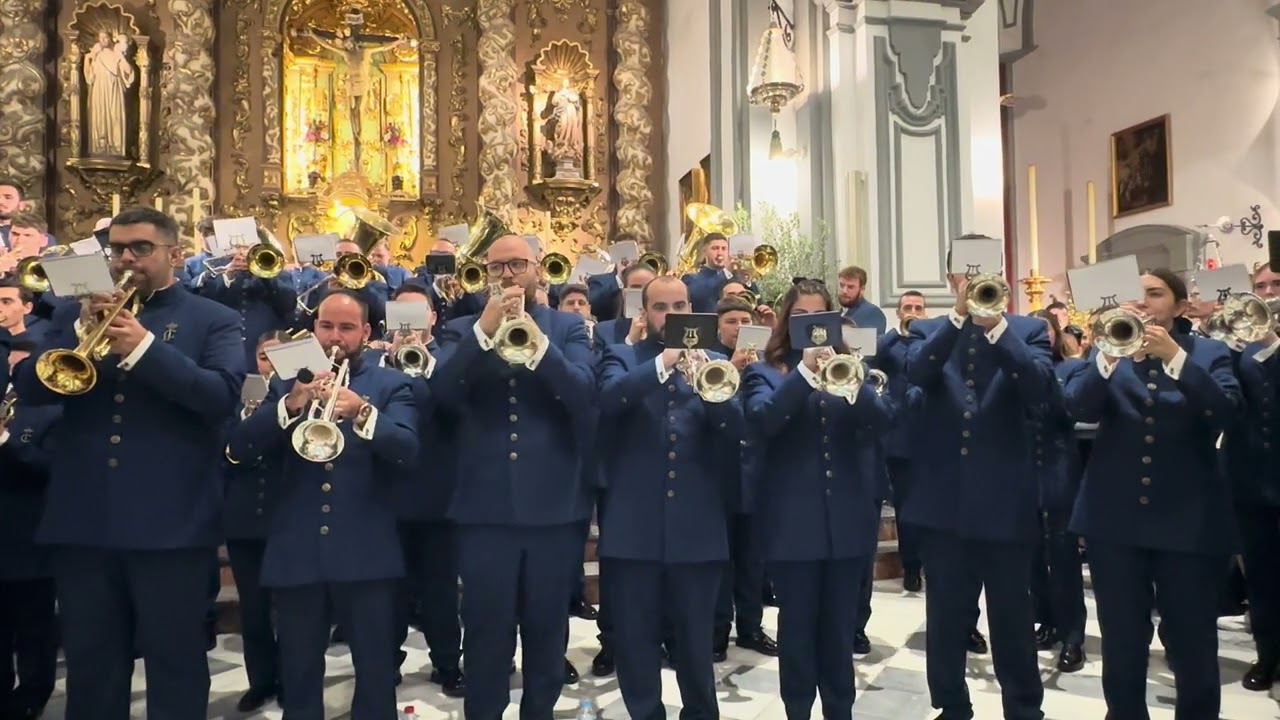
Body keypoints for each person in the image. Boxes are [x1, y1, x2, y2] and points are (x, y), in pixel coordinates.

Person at [13, 206, 245, 719]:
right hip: (84, 521)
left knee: (174, 660)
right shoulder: (72, 315)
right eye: (117, 249)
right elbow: (29, 387)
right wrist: (79, 330)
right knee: (91, 665)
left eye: (141, 248)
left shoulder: (213, 319)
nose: (125, 258)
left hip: (172, 525)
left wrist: (143, 347)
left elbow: (219, 397)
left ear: (174, 254)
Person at [229, 290, 418, 719]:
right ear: (314, 329)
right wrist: (291, 404)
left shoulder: (390, 384)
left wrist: (363, 412)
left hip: (367, 550)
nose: (335, 337)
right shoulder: (285, 383)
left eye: (346, 328)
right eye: (326, 326)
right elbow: (238, 449)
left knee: (375, 668)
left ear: (366, 333)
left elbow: (408, 450)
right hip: (296, 548)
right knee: (298, 671)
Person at [1064, 268, 1240, 719]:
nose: (1142, 301)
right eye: (1136, 294)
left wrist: (1176, 359)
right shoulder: (1109, 350)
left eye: (1155, 294)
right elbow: (1078, 406)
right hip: (1114, 521)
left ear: (1180, 306)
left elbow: (1225, 412)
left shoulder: (1210, 353)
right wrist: (1106, 357)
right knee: (1122, 638)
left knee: (1192, 638)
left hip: (1188, 522)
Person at [432, 234, 595, 719]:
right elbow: (441, 394)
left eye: (517, 264)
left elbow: (582, 393)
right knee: (485, 630)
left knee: (547, 630)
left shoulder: (567, 326)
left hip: (554, 507)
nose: (507, 274)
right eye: (496, 266)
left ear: (537, 268)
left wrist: (538, 343)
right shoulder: (460, 329)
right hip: (483, 510)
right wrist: (483, 332)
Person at [902, 254, 1052, 720]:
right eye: (964, 272)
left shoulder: (1028, 330)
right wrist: (958, 316)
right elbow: (918, 373)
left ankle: (1024, 708)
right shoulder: (928, 330)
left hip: (1006, 499)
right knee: (946, 617)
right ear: (951, 279)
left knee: (1012, 617)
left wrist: (998, 329)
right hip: (942, 500)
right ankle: (951, 705)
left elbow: (1040, 389)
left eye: (984, 268)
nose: (974, 279)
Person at [744, 279, 895, 719]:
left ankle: (839, 711)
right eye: (801, 317)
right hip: (792, 526)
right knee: (797, 630)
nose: (810, 325)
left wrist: (851, 380)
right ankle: (798, 711)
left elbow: (883, 420)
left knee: (839, 631)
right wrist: (807, 373)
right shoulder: (765, 372)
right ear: (786, 321)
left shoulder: (849, 369)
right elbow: (764, 420)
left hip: (846, 524)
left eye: (819, 317)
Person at [596, 275, 744, 719]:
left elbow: (736, 430)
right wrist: (664, 361)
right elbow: (609, 401)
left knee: (696, 644)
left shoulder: (716, 361)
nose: (672, 314)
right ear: (645, 314)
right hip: (633, 531)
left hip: (697, 530)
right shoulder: (622, 356)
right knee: (635, 642)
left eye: (680, 305)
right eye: (661, 307)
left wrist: (710, 387)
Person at [383, 284, 465, 696]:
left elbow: (457, 408)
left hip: (437, 490)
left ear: (433, 318)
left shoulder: (449, 358)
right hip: (387, 493)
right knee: (389, 590)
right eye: (401, 317)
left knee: (440, 589)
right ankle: (386, 663)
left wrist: (424, 363)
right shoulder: (376, 363)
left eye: (417, 316)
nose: (409, 326)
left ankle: (447, 662)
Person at [221, 330, 292, 712]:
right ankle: (260, 680)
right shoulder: (236, 397)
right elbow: (228, 448)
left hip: (285, 515)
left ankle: (291, 679)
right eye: (265, 357)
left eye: (280, 358)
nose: (271, 366)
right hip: (244, 515)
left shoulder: (299, 399)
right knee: (253, 608)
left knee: (292, 606)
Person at [0, 337, 60, 720]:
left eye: (23, 367)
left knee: (34, 628)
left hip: (29, 538)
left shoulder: (49, 413)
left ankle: (32, 696)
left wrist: (5, 440)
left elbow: (50, 468)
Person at [1027, 309, 1088, 673]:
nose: (1040, 336)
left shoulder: (1073, 368)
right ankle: (1046, 621)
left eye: (1045, 330)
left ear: (1055, 333)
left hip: (1059, 466)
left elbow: (1070, 408)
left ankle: (1073, 634)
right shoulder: (1019, 369)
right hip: (1024, 470)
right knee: (1032, 555)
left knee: (1064, 554)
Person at [1231, 262, 1280, 691]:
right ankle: (1268, 655)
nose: (1267, 292)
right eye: (1259, 286)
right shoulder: (1240, 345)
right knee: (1261, 574)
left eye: (1275, 284)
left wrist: (1272, 344)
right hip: (1249, 477)